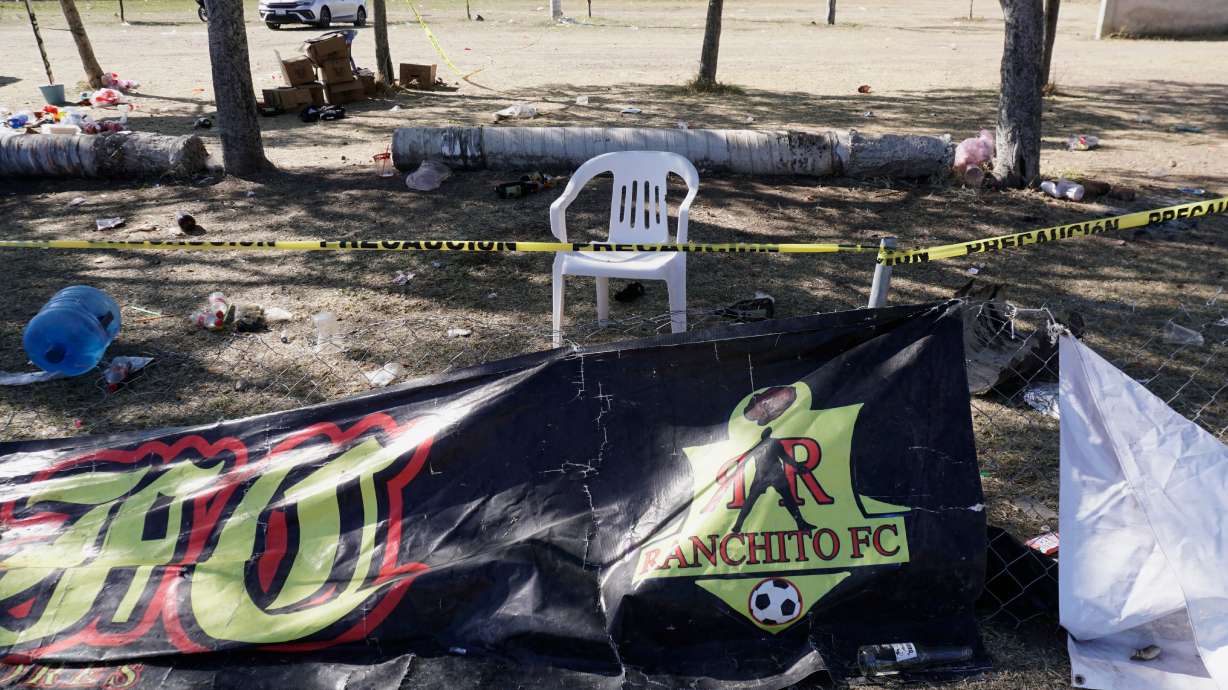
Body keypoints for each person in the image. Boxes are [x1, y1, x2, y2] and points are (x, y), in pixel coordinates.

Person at [731, 387, 817, 533]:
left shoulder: (771, 442)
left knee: (787, 499)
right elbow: (746, 458)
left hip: (775, 475)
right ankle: (737, 526)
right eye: (763, 409)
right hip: (764, 475)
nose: (764, 412)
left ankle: (801, 524)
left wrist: (797, 466)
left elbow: (785, 457)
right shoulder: (758, 443)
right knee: (752, 501)